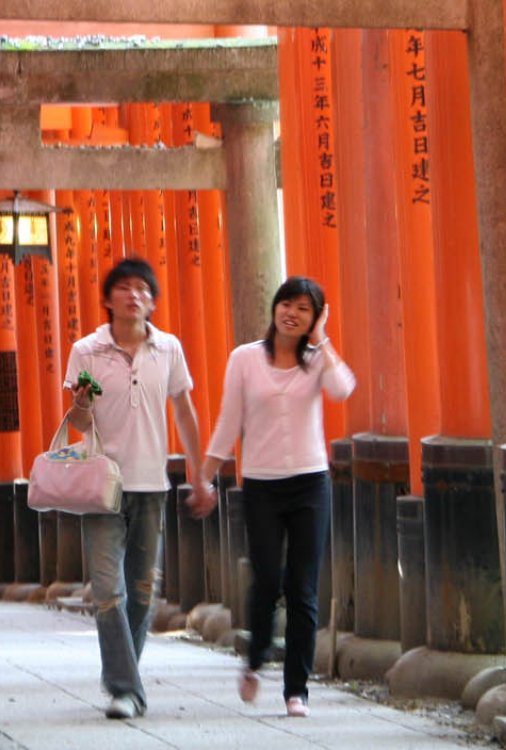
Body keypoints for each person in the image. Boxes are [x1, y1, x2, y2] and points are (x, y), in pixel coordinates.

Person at [195, 277, 355, 718]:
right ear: (274, 307)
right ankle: (254, 659)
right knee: (267, 579)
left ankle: (296, 689)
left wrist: (321, 340)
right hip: (262, 486)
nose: (292, 313)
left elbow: (342, 389)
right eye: (287, 303)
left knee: (303, 589)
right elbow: (229, 422)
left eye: (304, 309)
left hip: (310, 483)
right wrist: (205, 477)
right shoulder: (245, 359)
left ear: (314, 317)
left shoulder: (316, 360)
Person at [63, 258, 215, 720]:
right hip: (102, 484)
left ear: (152, 301)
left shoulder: (168, 348)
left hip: (152, 484)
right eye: (124, 288)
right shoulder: (86, 350)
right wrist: (81, 404)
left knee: (143, 591)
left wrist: (199, 471)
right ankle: (128, 690)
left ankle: (121, 681)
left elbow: (185, 411)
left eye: (143, 290)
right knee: (109, 590)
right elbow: (77, 423)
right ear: (108, 299)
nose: (134, 296)